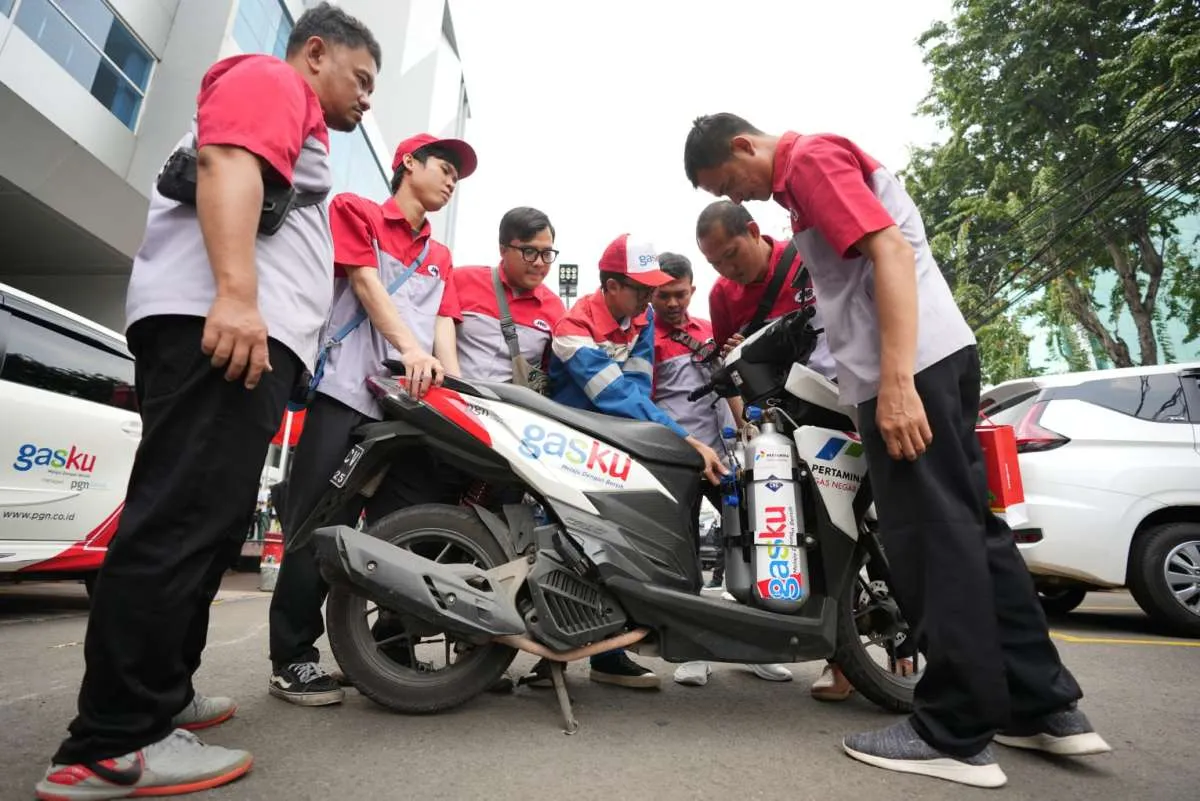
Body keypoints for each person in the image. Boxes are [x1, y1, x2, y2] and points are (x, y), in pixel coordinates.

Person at [684, 113, 1109, 789]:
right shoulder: (807, 180)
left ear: (744, 146)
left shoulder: (810, 161)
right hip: (933, 360)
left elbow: (889, 252)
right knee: (975, 535)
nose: (743, 195)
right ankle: (1045, 705)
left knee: (933, 543)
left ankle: (954, 731)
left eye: (728, 181)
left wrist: (896, 383)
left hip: (913, 370)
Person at [35, 5, 382, 799]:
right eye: (360, 80)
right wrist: (234, 295)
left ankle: (162, 693)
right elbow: (227, 160)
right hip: (215, 327)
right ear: (316, 53)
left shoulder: (302, 128)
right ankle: (113, 744)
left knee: (210, 522)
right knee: (182, 518)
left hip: (239, 342)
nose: (366, 100)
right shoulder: (270, 80)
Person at [266, 130, 475, 706]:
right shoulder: (356, 210)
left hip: (409, 414)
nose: (453, 179)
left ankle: (390, 651)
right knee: (316, 525)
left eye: (459, 173)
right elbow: (363, 282)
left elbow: (443, 329)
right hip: (344, 397)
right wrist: (409, 351)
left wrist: (453, 393)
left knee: (403, 534)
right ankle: (293, 659)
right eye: (445, 166)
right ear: (408, 163)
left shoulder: (442, 255)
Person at [695, 199, 861, 702]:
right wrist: (746, 418)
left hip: (842, 405)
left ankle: (882, 649)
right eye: (715, 264)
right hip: (779, 424)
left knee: (856, 524)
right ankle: (830, 653)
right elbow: (729, 369)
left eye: (730, 255)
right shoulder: (724, 295)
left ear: (754, 231)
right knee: (803, 528)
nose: (727, 270)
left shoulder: (806, 259)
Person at [547, 234, 727, 688]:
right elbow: (615, 397)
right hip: (567, 448)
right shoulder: (572, 326)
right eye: (641, 288)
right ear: (610, 286)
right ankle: (548, 663)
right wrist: (685, 440)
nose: (651, 298)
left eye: (656, 288)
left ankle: (610, 658)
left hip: (613, 448)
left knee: (621, 548)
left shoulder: (640, 319)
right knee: (567, 548)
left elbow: (638, 391)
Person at [650, 252, 794, 688]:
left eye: (680, 293)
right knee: (686, 555)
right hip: (677, 460)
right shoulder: (646, 340)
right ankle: (693, 652)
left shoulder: (710, 332)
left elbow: (731, 388)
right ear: (650, 295)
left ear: (692, 289)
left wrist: (747, 428)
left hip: (726, 459)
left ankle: (755, 647)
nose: (673, 303)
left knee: (750, 545)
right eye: (663, 295)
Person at [452, 206, 566, 385]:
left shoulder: (556, 309)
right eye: (529, 252)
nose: (538, 262)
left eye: (546, 253)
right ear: (503, 250)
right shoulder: (460, 280)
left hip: (510, 409)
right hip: (452, 400)